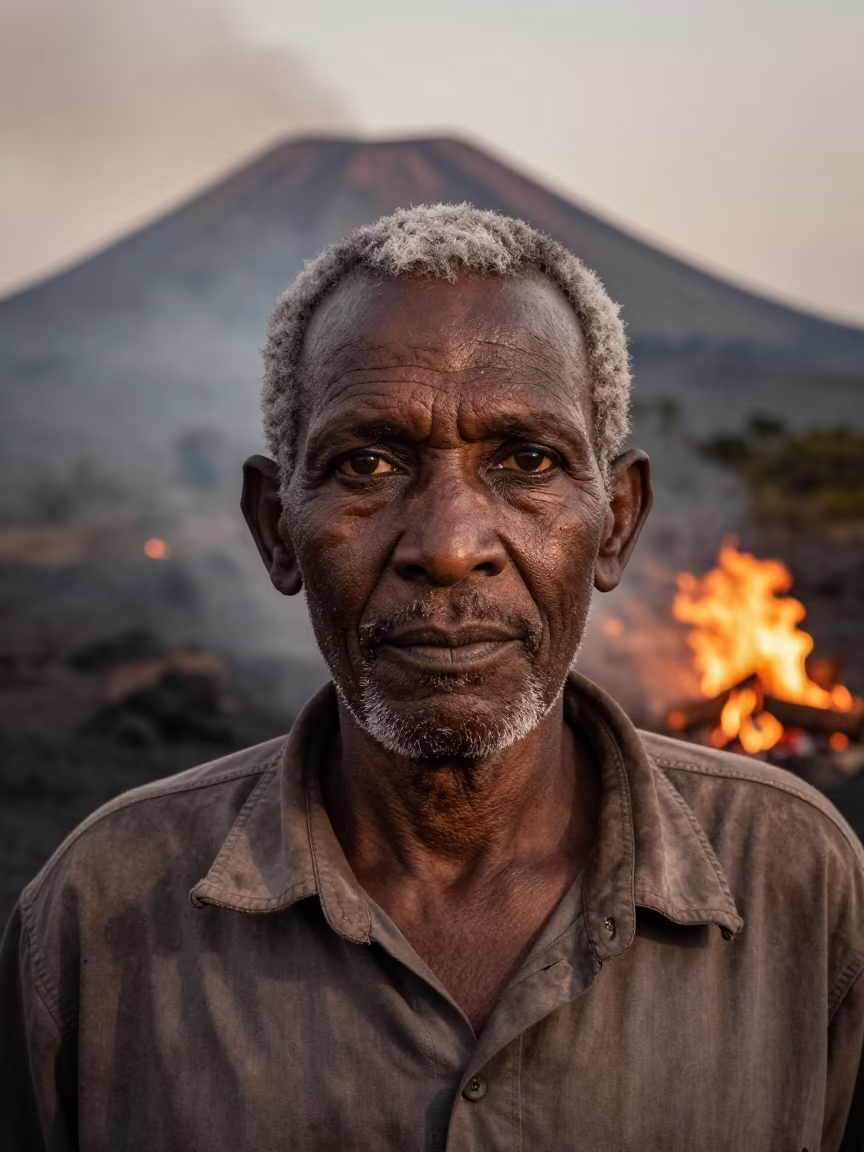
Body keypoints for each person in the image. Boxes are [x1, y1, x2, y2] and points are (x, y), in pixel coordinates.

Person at [1, 204, 862, 1151]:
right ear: (276, 527)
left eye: (527, 460)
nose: (449, 547)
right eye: (367, 464)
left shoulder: (805, 886)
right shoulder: (96, 916)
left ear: (616, 520)